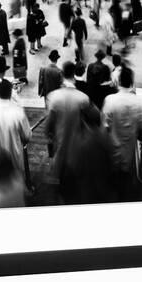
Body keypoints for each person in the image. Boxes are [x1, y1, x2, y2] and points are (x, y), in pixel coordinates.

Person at [45, 61, 102, 203]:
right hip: (78, 147)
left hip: (60, 144)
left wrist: (49, 137)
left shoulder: (53, 97)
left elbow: (48, 126)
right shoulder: (82, 98)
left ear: (62, 75)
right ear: (74, 76)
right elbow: (96, 116)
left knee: (61, 180)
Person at [102, 67, 142, 201]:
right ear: (131, 82)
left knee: (112, 180)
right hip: (129, 150)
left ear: (119, 81)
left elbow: (104, 126)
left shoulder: (110, 100)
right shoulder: (138, 102)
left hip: (112, 148)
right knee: (125, 181)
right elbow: (141, 128)